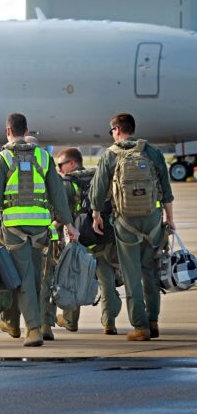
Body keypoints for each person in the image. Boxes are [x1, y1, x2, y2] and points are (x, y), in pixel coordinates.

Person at [0, 113, 79, 347]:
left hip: (14, 229)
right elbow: (58, 195)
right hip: (40, 227)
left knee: (23, 278)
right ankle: (33, 323)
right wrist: (69, 224)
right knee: (33, 277)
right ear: (26, 131)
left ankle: (33, 329)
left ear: (7, 131)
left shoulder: (2, 159)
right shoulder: (44, 158)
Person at [90, 113, 174, 341]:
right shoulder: (152, 152)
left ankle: (140, 326)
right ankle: (153, 320)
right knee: (150, 270)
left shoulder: (111, 155)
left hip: (126, 221)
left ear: (117, 130)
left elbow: (97, 190)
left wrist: (96, 214)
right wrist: (170, 218)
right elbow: (166, 190)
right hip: (153, 220)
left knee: (131, 273)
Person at [52, 147, 122, 335]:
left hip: (80, 239)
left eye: (61, 164)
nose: (59, 169)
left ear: (72, 163)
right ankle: (109, 323)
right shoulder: (100, 177)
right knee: (107, 280)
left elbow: (62, 212)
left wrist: (56, 235)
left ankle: (70, 321)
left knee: (73, 279)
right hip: (104, 236)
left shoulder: (68, 183)